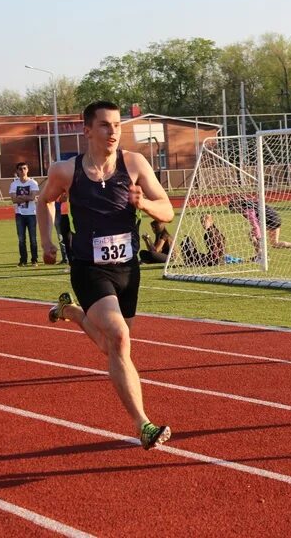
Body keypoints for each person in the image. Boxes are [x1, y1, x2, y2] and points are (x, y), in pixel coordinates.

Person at [36, 100, 174, 450]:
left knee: (112, 346)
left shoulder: (134, 163)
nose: (113, 131)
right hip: (89, 268)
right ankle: (143, 425)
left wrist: (143, 204)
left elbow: (168, 210)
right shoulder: (66, 171)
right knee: (119, 337)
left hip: (128, 269)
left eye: (117, 125)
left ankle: (70, 312)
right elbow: (45, 200)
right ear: (87, 130)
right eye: (105, 125)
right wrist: (47, 242)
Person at [228, 197, 291, 262]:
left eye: (234, 209)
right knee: (275, 243)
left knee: (252, 235)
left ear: (237, 205)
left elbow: (255, 225)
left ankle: (262, 256)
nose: (236, 211)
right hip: (276, 218)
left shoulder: (248, 210)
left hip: (269, 220)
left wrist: (259, 237)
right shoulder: (251, 203)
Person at [9, 162, 39, 267]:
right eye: (20, 169)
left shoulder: (33, 183)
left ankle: (34, 260)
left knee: (33, 238)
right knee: (21, 239)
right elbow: (13, 199)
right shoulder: (14, 184)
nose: (22, 171)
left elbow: (32, 198)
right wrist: (28, 197)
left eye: (24, 168)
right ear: (17, 171)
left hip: (31, 214)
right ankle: (23, 260)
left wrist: (20, 198)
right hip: (19, 214)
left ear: (28, 169)